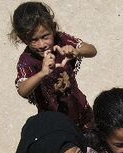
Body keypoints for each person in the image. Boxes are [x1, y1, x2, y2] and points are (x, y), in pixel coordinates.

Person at [10, 2, 97, 131]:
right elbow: (22, 90)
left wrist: (76, 51)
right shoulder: (27, 61)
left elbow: (92, 50)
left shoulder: (61, 40)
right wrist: (42, 73)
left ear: (53, 28)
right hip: (52, 117)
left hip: (79, 106)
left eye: (45, 37)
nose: (41, 44)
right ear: (23, 40)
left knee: (92, 136)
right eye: (33, 40)